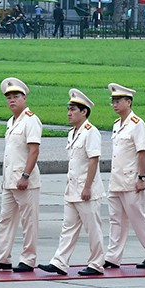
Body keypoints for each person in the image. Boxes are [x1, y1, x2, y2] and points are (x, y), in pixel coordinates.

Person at [39, 89, 106, 277]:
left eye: (73, 109)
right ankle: (59, 262)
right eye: (68, 109)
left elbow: (93, 160)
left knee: (93, 229)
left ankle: (96, 264)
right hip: (72, 189)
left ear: (84, 112)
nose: (69, 113)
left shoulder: (91, 132)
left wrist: (87, 187)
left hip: (86, 190)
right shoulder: (72, 133)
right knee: (68, 228)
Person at [105, 84, 145, 270]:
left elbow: (142, 151)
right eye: (113, 101)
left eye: (118, 101)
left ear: (129, 102)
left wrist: (142, 177)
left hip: (131, 180)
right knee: (116, 220)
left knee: (138, 219)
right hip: (116, 179)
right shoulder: (117, 124)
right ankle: (112, 257)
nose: (115, 104)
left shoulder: (137, 124)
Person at [0, 78, 41, 273]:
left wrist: (26, 175)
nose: (12, 100)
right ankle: (2, 258)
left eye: (16, 96)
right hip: (9, 180)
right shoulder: (11, 121)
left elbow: (34, 150)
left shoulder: (31, 120)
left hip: (25, 181)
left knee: (28, 222)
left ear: (24, 98)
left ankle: (28, 259)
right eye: (8, 97)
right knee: (5, 220)